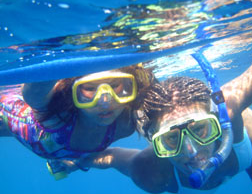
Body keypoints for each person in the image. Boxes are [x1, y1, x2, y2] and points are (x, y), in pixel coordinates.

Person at [61, 51, 252, 194]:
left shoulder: (227, 108)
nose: (191, 151)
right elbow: (113, 158)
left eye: (200, 130)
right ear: (154, 144)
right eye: (170, 140)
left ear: (218, 120)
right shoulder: (151, 174)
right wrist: (78, 163)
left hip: (251, 146)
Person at [0, 63, 155, 179]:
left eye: (115, 86)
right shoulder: (58, 115)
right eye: (90, 89)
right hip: (20, 121)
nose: (105, 102)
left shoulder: (125, 124)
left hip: (59, 151)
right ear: (73, 93)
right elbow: (34, 95)